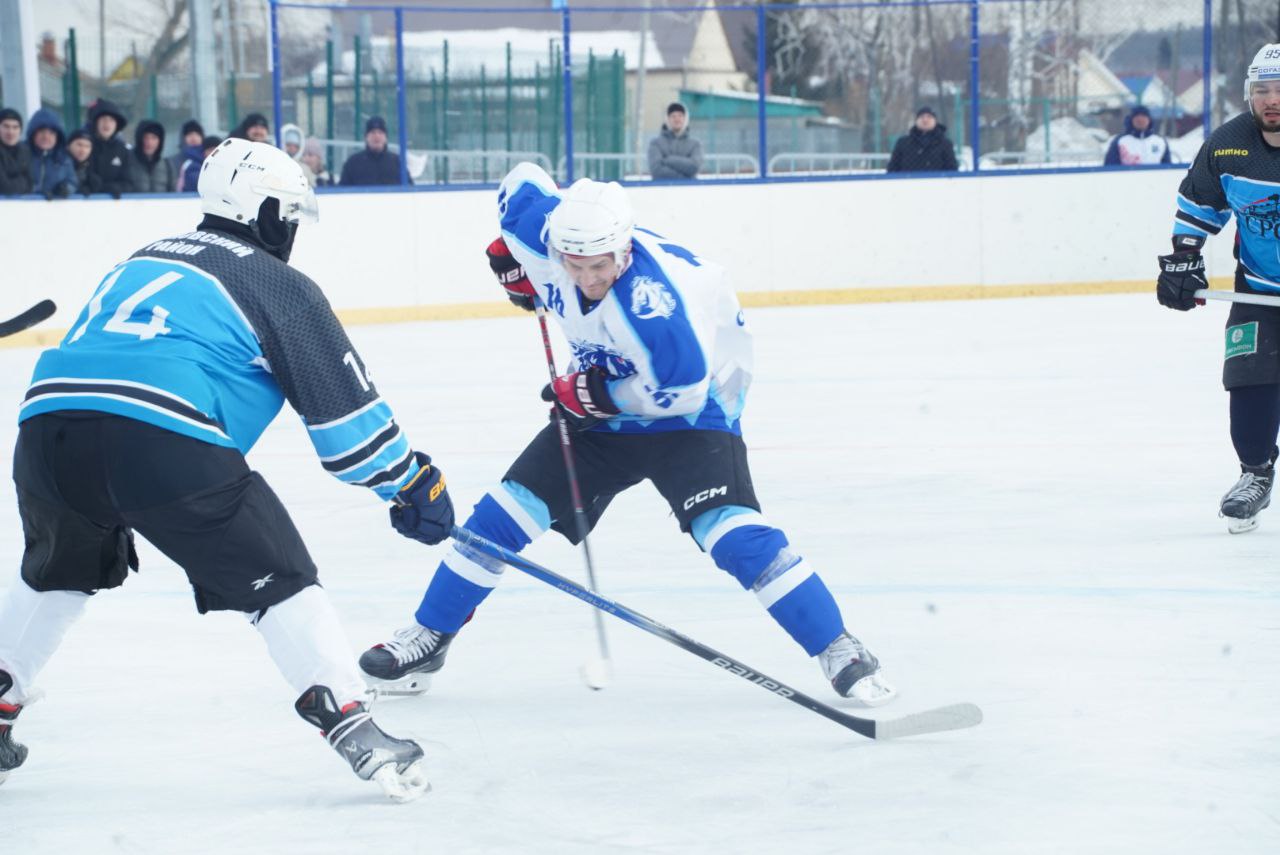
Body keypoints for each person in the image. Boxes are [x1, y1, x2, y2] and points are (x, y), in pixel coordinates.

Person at [0, 139, 455, 801]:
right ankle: (352, 723)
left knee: (55, 572)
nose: (293, 228)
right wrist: (411, 482)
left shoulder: (139, 259)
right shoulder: (275, 283)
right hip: (160, 438)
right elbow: (345, 421)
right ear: (262, 211)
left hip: (47, 434)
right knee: (281, 575)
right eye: (287, 212)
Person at [359, 162, 897, 708]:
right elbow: (520, 181)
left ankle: (838, 647)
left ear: (624, 249)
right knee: (498, 518)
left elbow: (682, 390)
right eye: (575, 265)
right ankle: (428, 638)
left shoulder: (655, 305)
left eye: (601, 265)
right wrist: (511, 257)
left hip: (695, 412)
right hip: (603, 416)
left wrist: (596, 397)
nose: (589, 277)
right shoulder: (537, 229)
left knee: (732, 534)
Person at [1158, 43, 1280, 534]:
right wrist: (1185, 260)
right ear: (1249, 96)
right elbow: (1200, 205)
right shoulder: (1229, 144)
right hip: (1259, 287)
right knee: (1248, 378)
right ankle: (1255, 474)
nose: (1273, 100)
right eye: (1263, 91)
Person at [83, 99, 134, 198]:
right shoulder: (84, 144)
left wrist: (112, 188)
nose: (107, 124)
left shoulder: (123, 150)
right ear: (96, 122)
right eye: (103, 119)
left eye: (111, 120)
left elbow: (129, 183)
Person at [886, 107, 959, 173]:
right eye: (921, 117)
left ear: (935, 121)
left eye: (929, 117)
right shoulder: (903, 143)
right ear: (916, 121)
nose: (925, 120)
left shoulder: (945, 144)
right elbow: (892, 168)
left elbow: (952, 169)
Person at [26, 108, 77, 199]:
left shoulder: (64, 159)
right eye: (42, 132)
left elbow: (72, 182)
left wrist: (65, 189)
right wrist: (37, 193)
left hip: (54, 210)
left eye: (51, 133)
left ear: (58, 136)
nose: (46, 137)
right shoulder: (22, 154)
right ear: (33, 133)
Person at [647, 101, 703, 180]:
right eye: (673, 116)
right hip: (661, 190)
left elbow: (694, 167)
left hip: (689, 190)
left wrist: (668, 160)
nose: (677, 119)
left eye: (680, 116)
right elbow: (656, 171)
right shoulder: (655, 143)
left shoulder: (695, 144)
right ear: (667, 119)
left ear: (685, 119)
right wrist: (685, 177)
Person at [340, 116, 402, 186]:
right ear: (366, 137)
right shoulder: (353, 163)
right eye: (373, 132)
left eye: (380, 132)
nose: (377, 136)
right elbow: (342, 191)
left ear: (386, 138)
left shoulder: (397, 162)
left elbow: (409, 189)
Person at [1104, 105, 1172, 166]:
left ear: (1149, 120)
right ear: (1131, 120)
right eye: (1137, 116)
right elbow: (1110, 167)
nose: (1140, 119)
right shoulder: (1120, 141)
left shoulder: (1160, 141)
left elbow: (1167, 169)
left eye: (1143, 116)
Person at [126, 119, 176, 193]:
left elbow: (174, 194)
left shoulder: (167, 165)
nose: (149, 142)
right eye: (145, 137)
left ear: (160, 141)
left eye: (154, 138)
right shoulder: (127, 162)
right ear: (139, 139)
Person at [0, 108, 33, 196]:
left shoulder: (26, 151)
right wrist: (22, 181)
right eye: (6, 126)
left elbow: (31, 184)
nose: (10, 132)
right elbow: (4, 187)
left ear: (20, 130)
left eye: (15, 127)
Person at [169, 119, 204, 191]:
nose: (193, 137)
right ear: (183, 138)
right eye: (190, 134)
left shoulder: (208, 158)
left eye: (197, 134)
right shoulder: (174, 161)